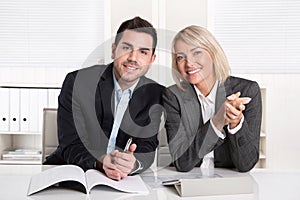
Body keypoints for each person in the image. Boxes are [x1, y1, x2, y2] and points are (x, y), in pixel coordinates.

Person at [45, 16, 165, 181]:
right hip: (73, 174)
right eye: (126, 48)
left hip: (122, 180)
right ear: (113, 50)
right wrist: (102, 162)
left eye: (143, 52)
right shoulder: (78, 82)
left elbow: (147, 146)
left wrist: (134, 163)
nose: (133, 58)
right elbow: (70, 145)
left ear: (152, 59)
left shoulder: (155, 93)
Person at [163, 25, 262, 172]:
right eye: (180, 57)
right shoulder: (172, 96)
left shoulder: (247, 91)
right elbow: (181, 162)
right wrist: (217, 121)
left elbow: (246, 165)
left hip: (230, 182)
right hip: (190, 179)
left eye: (196, 53)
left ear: (213, 54)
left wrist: (236, 123)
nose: (189, 63)